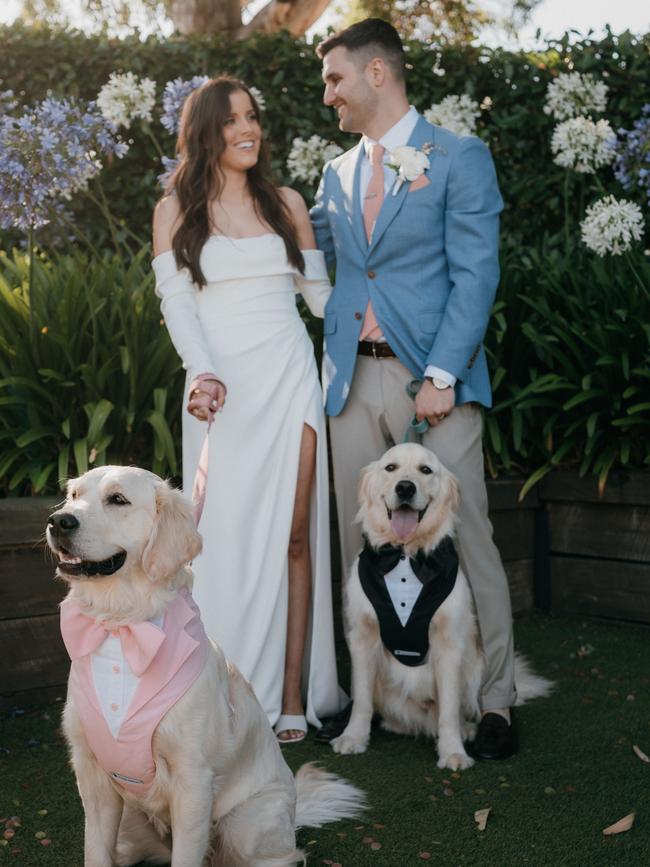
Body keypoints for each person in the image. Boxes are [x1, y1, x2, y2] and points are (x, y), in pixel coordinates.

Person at [310, 19, 517, 759]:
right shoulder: (333, 173)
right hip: (349, 381)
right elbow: (321, 263)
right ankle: (363, 700)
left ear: (376, 74)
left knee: (470, 538)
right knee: (359, 540)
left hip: (435, 378)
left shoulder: (459, 157)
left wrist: (441, 374)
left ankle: (493, 701)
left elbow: (476, 273)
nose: (327, 92)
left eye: (335, 77)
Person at [152, 76, 346, 743]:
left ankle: (293, 696)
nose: (248, 128)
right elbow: (177, 304)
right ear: (205, 130)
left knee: (295, 534)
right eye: (233, 118)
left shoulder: (286, 202)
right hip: (218, 392)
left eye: (253, 116)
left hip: (290, 375)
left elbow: (321, 302)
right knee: (222, 543)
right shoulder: (174, 207)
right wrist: (200, 372)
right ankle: (218, 693)